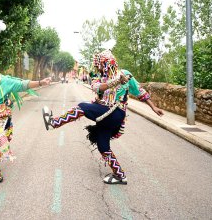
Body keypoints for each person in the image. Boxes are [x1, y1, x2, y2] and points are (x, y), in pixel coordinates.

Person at [42, 50, 163, 185]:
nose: (97, 68)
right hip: (105, 113)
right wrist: (116, 81)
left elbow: (140, 91)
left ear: (106, 64)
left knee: (82, 107)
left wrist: (153, 107)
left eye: (99, 65)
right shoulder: (99, 78)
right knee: (102, 145)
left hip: (115, 113)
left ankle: (54, 123)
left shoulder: (126, 74)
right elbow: (98, 88)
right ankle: (120, 175)